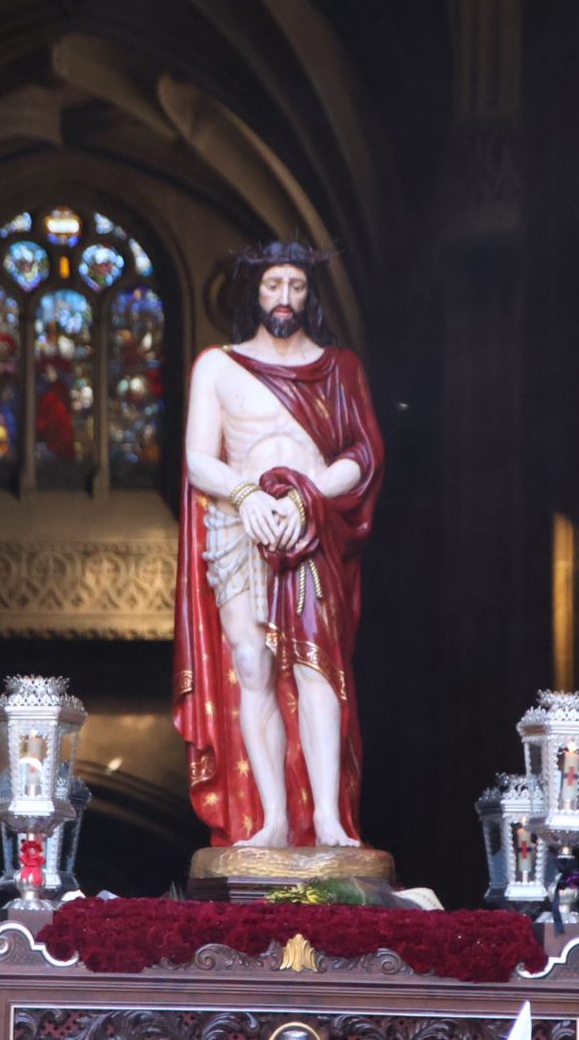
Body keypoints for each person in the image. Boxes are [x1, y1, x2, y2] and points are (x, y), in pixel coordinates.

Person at [173, 240, 383, 848]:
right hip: (239, 527)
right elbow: (198, 459)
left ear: (310, 294)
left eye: (295, 285)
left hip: (307, 526)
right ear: (255, 293)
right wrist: (246, 495)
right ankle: (271, 821)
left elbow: (363, 453)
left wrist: (303, 500)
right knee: (251, 664)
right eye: (273, 286)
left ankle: (327, 821)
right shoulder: (218, 366)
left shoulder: (338, 368)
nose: (284, 298)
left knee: (317, 666)